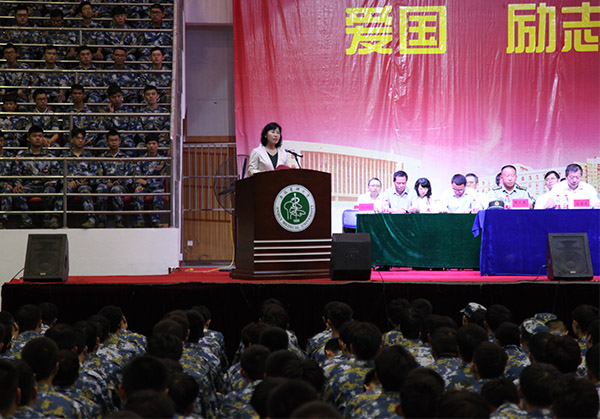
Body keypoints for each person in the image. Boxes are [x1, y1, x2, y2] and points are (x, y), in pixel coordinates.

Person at [12, 125, 60, 228]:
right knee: (17, 192)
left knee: (51, 191)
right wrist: (18, 183)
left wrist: (52, 182)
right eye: (34, 136)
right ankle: (27, 221)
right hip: (28, 186)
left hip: (44, 186)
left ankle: (47, 220)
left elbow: (56, 172)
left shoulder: (50, 156)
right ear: (29, 138)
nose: (38, 138)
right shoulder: (21, 155)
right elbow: (16, 172)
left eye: (40, 136)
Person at [54, 128, 98, 228]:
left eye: (82, 138)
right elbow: (58, 173)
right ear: (72, 139)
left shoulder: (89, 157)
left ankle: (91, 219)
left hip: (84, 184)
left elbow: (95, 174)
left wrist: (86, 182)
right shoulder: (64, 157)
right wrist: (66, 182)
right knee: (64, 190)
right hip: (69, 184)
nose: (80, 140)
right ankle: (54, 218)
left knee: (84, 190)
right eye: (78, 138)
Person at [95, 130, 135, 228]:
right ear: (107, 142)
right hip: (105, 184)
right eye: (111, 140)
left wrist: (120, 182)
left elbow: (129, 176)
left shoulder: (126, 158)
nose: (114, 142)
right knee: (101, 189)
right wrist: (107, 182)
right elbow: (98, 175)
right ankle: (101, 220)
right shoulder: (101, 158)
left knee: (116, 189)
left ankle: (119, 220)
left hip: (121, 186)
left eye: (116, 140)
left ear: (120, 141)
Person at [133, 133, 169, 228]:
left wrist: (146, 182)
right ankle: (139, 221)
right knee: (137, 193)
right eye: (149, 144)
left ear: (158, 145)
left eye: (154, 143)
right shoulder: (141, 160)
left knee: (158, 192)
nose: (152, 146)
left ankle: (155, 221)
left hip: (156, 187)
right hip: (144, 188)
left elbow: (161, 178)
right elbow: (136, 177)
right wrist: (138, 185)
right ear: (146, 145)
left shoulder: (162, 161)